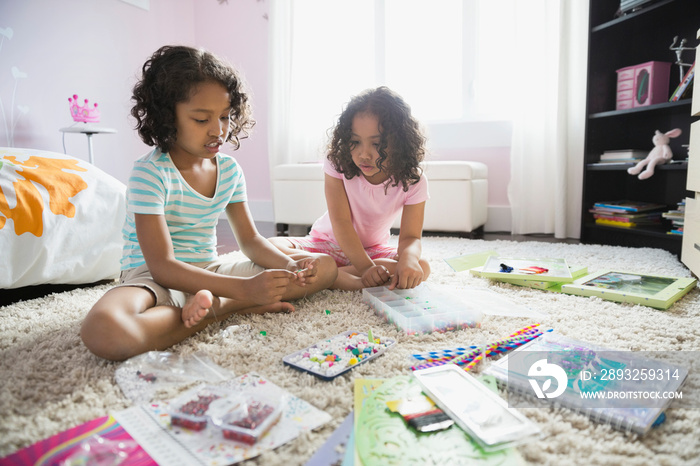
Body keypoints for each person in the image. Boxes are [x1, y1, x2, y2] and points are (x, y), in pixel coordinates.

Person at [81, 45, 337, 361]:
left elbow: (251, 240)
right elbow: (162, 266)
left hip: (212, 270)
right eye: (202, 119)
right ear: (166, 117)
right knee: (105, 331)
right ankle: (227, 307)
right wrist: (243, 292)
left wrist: (290, 267)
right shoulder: (150, 173)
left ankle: (209, 304)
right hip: (154, 278)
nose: (218, 130)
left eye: (225, 117)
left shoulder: (229, 170)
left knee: (323, 267)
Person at [269, 86, 430, 291]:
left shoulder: (413, 180)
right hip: (327, 245)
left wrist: (408, 260)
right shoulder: (338, 164)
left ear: (399, 144)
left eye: (376, 144)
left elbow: (411, 238)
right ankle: (349, 277)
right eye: (355, 142)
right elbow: (341, 222)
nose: (364, 154)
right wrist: (365, 269)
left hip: (372, 249)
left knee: (421, 266)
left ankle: (330, 277)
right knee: (272, 246)